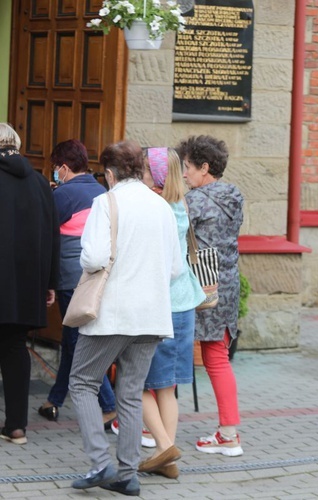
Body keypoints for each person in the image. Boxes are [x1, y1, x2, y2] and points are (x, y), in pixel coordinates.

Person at [69, 140, 181, 496]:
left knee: (83, 382)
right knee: (131, 393)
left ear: (111, 173)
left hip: (113, 312)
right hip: (153, 314)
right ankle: (127, 473)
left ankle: (101, 462)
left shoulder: (106, 202)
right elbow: (176, 268)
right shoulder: (161, 206)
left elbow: (93, 258)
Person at [138, 147, 206, 478]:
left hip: (159, 305)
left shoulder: (154, 206)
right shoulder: (180, 204)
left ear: (157, 174)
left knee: (133, 383)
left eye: (145, 168)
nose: (141, 172)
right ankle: (170, 460)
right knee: (167, 388)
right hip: (184, 304)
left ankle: (165, 448)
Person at [38, 140, 116, 426]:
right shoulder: (102, 191)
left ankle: (109, 405)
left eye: (55, 168)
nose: (54, 172)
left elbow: (45, 235)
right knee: (74, 342)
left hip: (72, 279)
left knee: (79, 344)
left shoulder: (62, 195)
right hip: (99, 279)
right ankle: (54, 400)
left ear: (64, 168)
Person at [179, 135, 245, 457]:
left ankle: (150, 425)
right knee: (217, 356)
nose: (184, 174)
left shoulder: (194, 201)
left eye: (188, 167)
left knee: (170, 349)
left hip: (198, 283)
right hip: (227, 283)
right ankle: (229, 433)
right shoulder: (235, 196)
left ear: (205, 168)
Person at [0, 123, 59, 445]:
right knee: (14, 347)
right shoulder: (38, 182)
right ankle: (17, 426)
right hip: (25, 285)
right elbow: (53, 236)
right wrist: (49, 282)